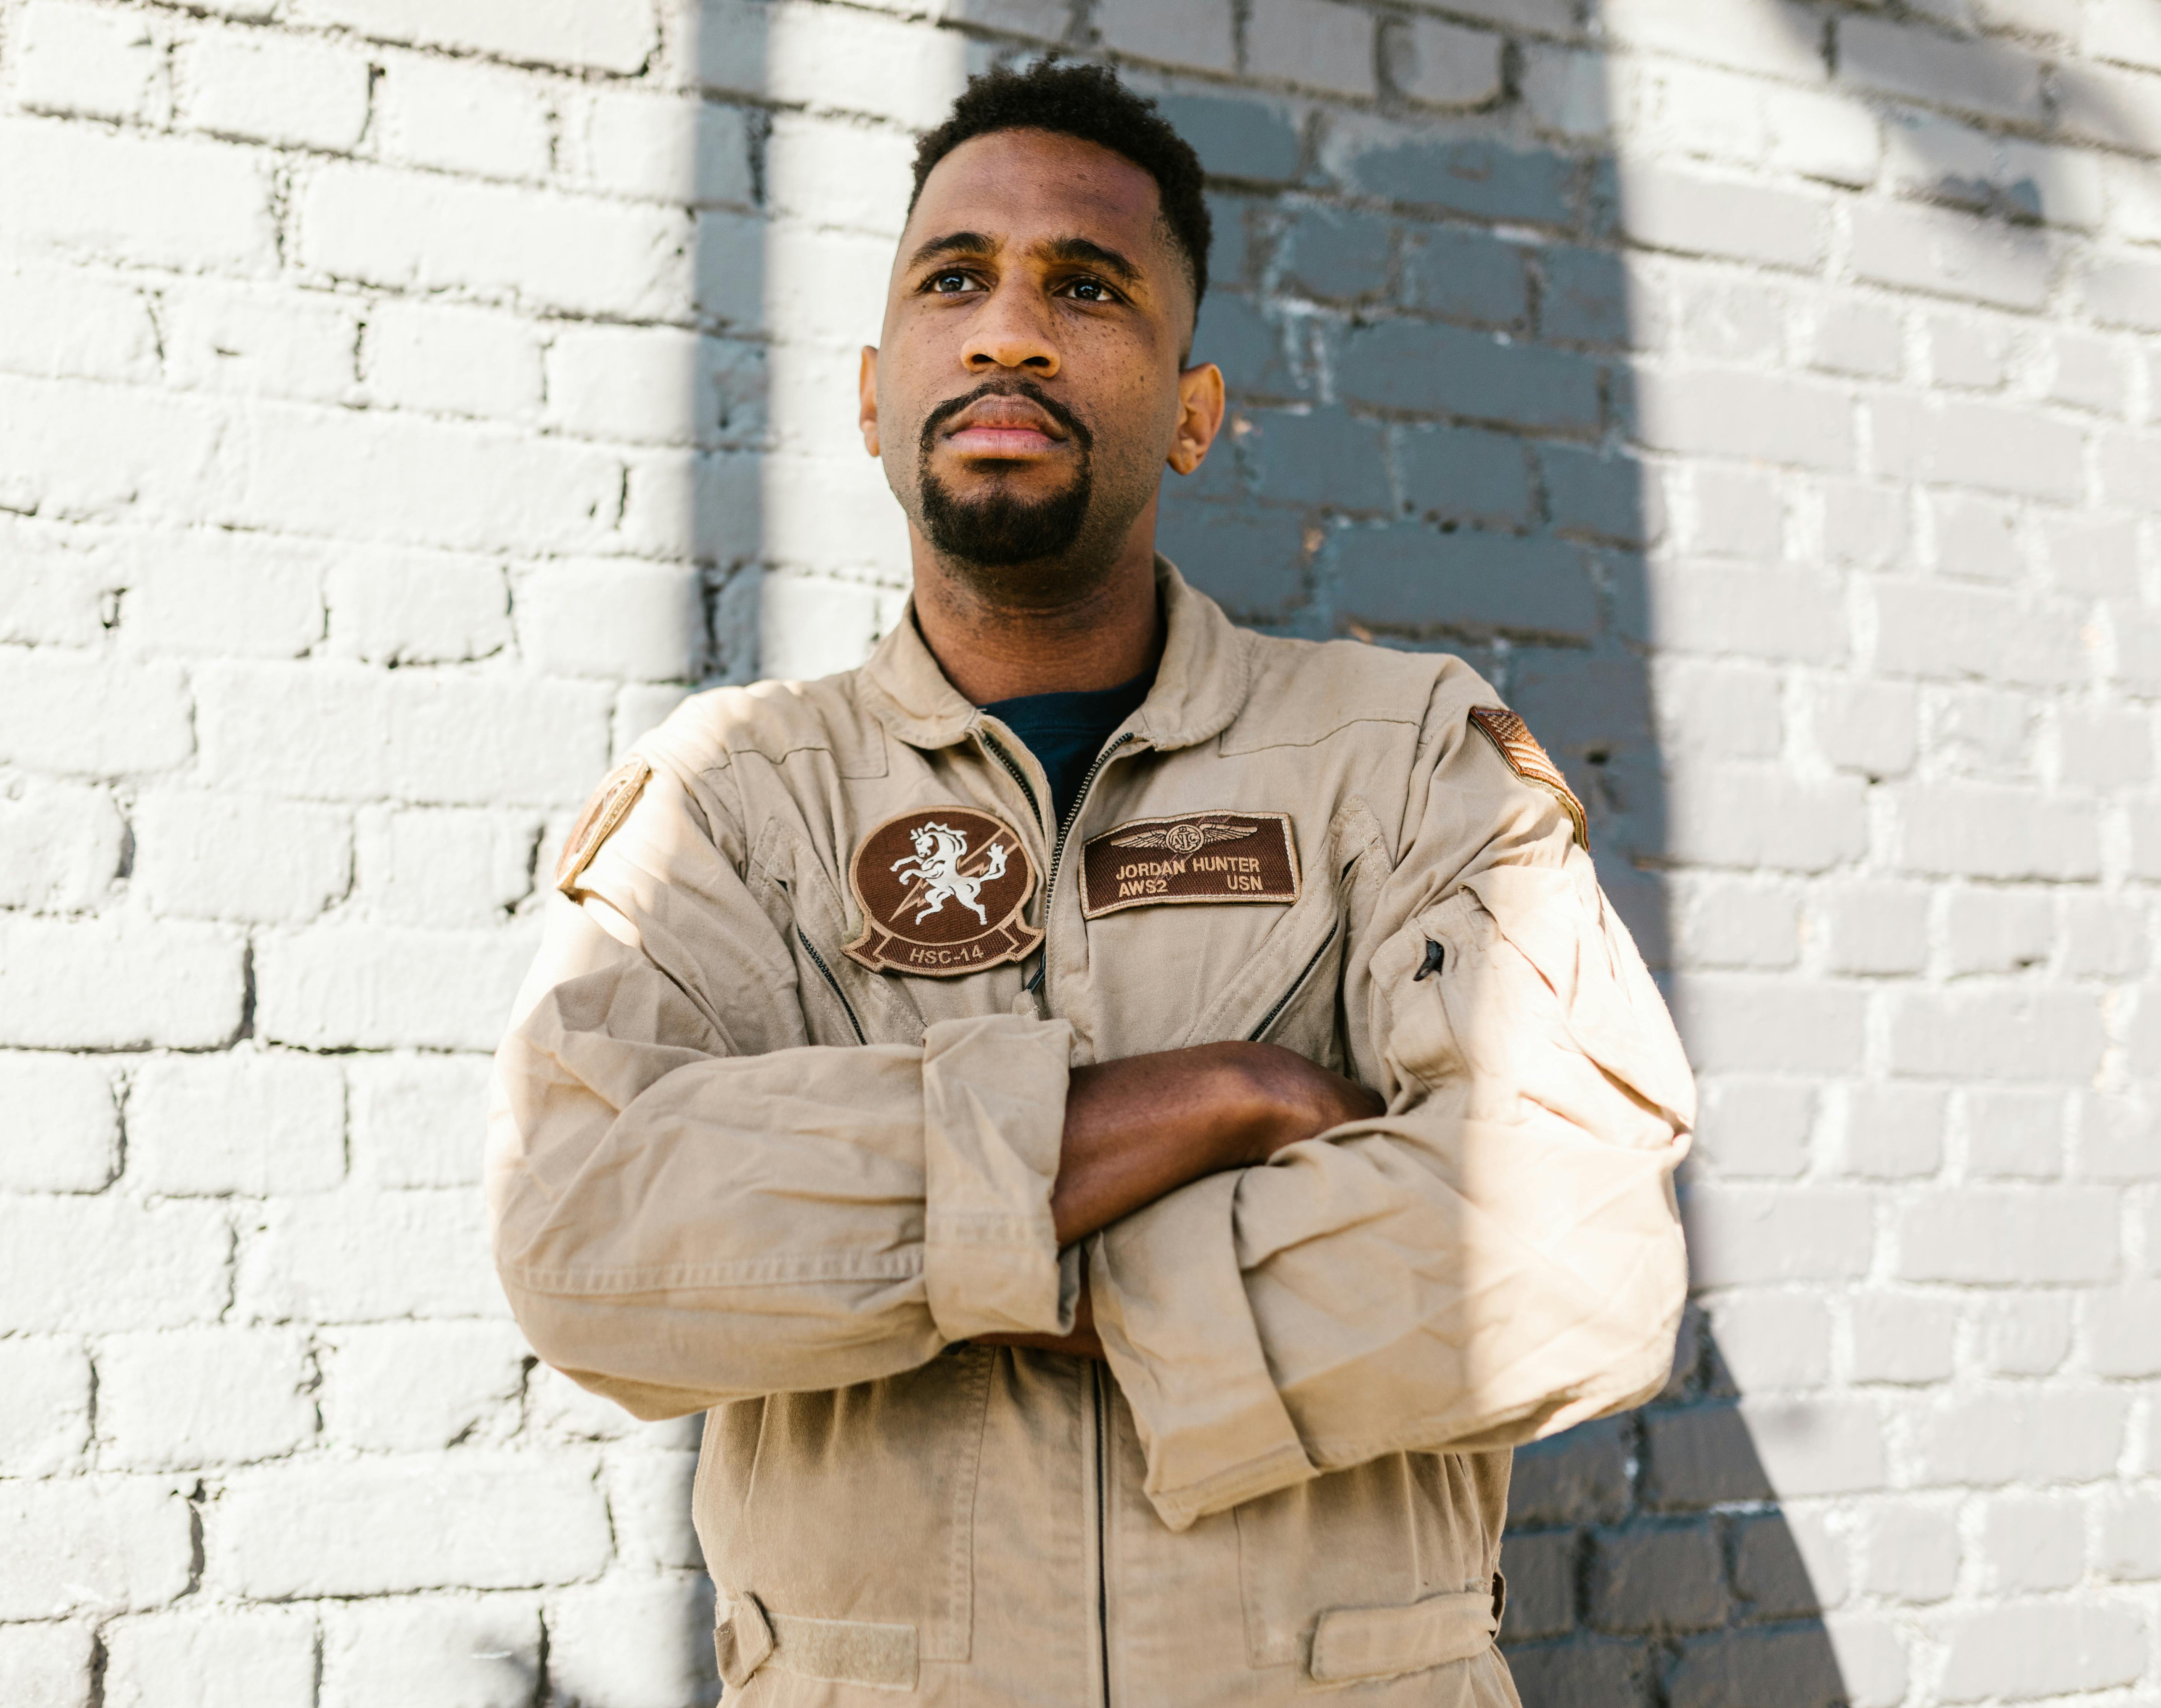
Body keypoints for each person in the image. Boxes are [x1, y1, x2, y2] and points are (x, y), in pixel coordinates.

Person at [489, 60, 1695, 1706]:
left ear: (1194, 409)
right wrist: (1223, 1093)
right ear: (871, 388)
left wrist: (1012, 1257)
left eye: (1086, 285)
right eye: (954, 279)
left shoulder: (1404, 758)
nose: (1008, 331)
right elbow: (596, 1243)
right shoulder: (737, 800)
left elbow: (1576, 1252)